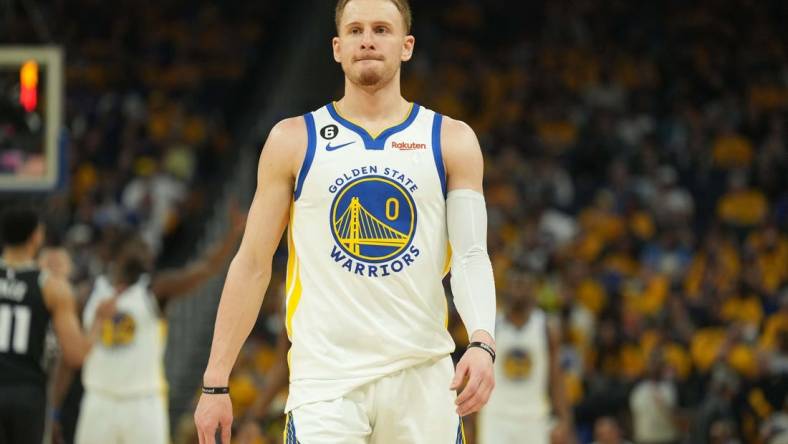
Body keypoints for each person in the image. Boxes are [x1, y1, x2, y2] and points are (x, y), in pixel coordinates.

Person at [194, 0, 498, 442]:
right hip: (325, 382)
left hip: (424, 377)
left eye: (381, 29)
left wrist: (482, 340)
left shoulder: (452, 140)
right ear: (337, 48)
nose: (368, 40)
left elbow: (472, 254)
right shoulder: (292, 140)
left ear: (406, 46)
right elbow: (253, 263)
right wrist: (215, 381)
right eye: (355, 30)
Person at [70, 206, 245, 444]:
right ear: (120, 251)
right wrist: (56, 408)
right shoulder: (89, 293)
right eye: (139, 247)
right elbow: (67, 355)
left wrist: (231, 235)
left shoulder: (154, 289)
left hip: (143, 401)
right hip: (98, 398)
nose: (146, 252)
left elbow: (204, 269)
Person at [0, 206, 109, 444]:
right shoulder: (51, 286)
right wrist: (98, 322)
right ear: (36, 236)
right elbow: (75, 356)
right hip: (26, 394)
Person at [477, 270, 574, 444]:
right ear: (506, 289)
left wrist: (564, 419)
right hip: (496, 416)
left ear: (533, 290)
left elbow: (556, 377)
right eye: (515, 285)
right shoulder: (491, 326)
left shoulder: (546, 327)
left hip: (534, 418)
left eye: (524, 285)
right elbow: (478, 376)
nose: (519, 290)